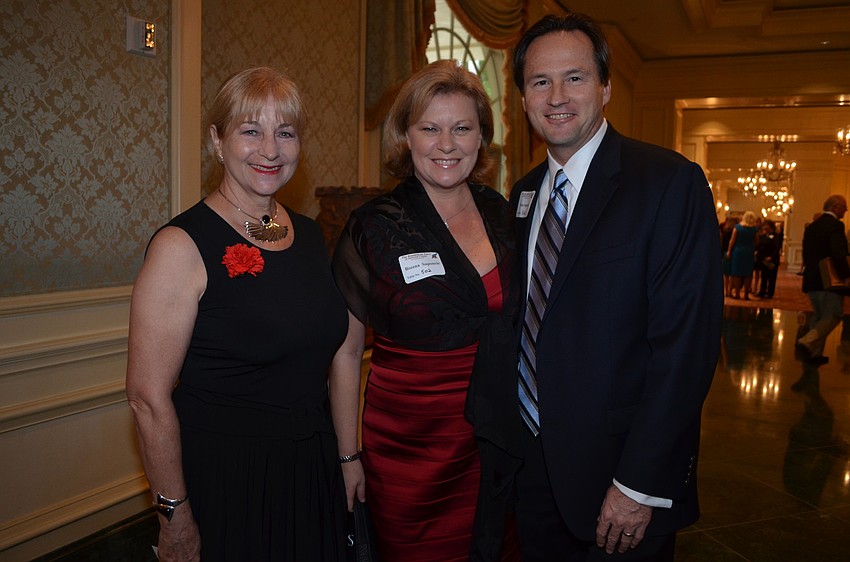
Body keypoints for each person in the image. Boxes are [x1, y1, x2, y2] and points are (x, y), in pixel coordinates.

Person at [496, 13, 723, 561]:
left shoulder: (668, 183)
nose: (556, 96)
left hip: (618, 487)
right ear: (523, 99)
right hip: (532, 477)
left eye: (574, 77)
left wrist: (640, 484)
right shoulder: (522, 198)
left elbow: (686, 351)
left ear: (605, 87)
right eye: (539, 81)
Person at [125, 67, 349, 561]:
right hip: (231, 477)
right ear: (217, 142)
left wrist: (344, 460)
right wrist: (174, 516)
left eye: (285, 133)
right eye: (251, 130)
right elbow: (147, 398)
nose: (270, 149)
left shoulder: (311, 236)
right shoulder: (180, 246)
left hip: (310, 467)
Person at [329, 59, 518, 562]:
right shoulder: (371, 227)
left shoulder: (505, 215)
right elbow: (345, 355)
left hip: (495, 439)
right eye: (429, 128)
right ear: (405, 137)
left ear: (481, 138)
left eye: (462, 128)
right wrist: (349, 457)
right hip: (408, 447)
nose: (447, 144)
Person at [796, 195, 850, 366]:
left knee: (818, 316)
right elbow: (838, 253)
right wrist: (846, 274)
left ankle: (813, 355)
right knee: (833, 315)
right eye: (844, 207)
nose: (846, 210)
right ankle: (806, 342)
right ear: (835, 207)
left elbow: (806, 253)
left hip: (812, 278)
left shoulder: (812, 227)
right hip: (828, 280)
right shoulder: (835, 225)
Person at [726, 210, 759, 300]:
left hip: (738, 252)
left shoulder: (738, 228)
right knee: (748, 273)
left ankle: (737, 293)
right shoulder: (754, 230)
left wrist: (729, 251)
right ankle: (746, 295)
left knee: (737, 273)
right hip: (749, 252)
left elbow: (732, 241)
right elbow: (757, 242)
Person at [755, 219, 781, 298]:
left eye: (766, 225)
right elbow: (759, 245)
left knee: (772, 277)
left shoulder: (776, 236)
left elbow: (777, 248)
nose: (764, 227)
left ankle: (770, 293)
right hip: (763, 259)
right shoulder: (763, 236)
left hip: (772, 260)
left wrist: (771, 257)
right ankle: (762, 292)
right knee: (764, 276)